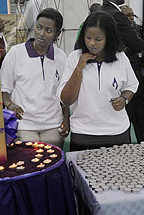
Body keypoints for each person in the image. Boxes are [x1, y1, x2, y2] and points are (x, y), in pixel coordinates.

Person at [58, 11, 139, 151]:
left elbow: (131, 85)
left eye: (98, 39)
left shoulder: (120, 58)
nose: (91, 43)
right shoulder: (74, 58)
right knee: (83, 172)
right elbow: (66, 99)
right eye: (88, 37)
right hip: (83, 133)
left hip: (117, 132)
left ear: (109, 38)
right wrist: (79, 67)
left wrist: (124, 99)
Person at [0, 8, 70, 148]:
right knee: (29, 160)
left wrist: (66, 120)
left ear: (57, 34)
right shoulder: (16, 53)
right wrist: (10, 104)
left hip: (53, 124)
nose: (41, 34)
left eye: (48, 30)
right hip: (24, 124)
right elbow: (3, 89)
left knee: (51, 162)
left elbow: (64, 95)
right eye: (39, 27)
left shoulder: (61, 57)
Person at [120, 5, 144, 143]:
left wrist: (139, 55)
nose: (131, 18)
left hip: (140, 88)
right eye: (127, 15)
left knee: (142, 125)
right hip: (123, 90)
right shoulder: (115, 36)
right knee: (124, 127)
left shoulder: (138, 33)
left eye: (132, 15)